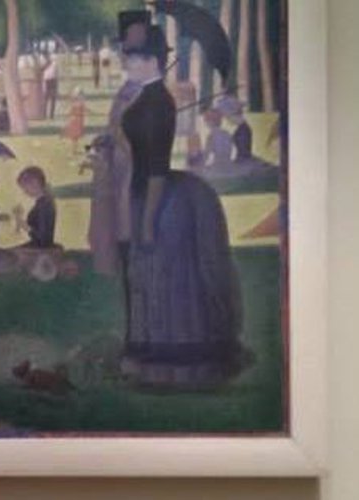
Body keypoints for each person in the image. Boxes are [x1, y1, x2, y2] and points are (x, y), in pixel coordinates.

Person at [113, 11, 245, 389]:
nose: (127, 63)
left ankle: (176, 360)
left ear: (151, 61)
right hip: (142, 189)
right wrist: (119, 139)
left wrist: (148, 221)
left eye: (133, 57)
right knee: (148, 276)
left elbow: (156, 167)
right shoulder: (148, 96)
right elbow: (137, 148)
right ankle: (153, 354)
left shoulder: (158, 102)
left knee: (164, 276)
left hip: (160, 198)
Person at [14, 166, 57, 249]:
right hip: (39, 246)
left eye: (25, 187)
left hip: (42, 249)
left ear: (34, 183)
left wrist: (24, 225)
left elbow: (43, 239)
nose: (24, 191)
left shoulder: (44, 205)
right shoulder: (44, 202)